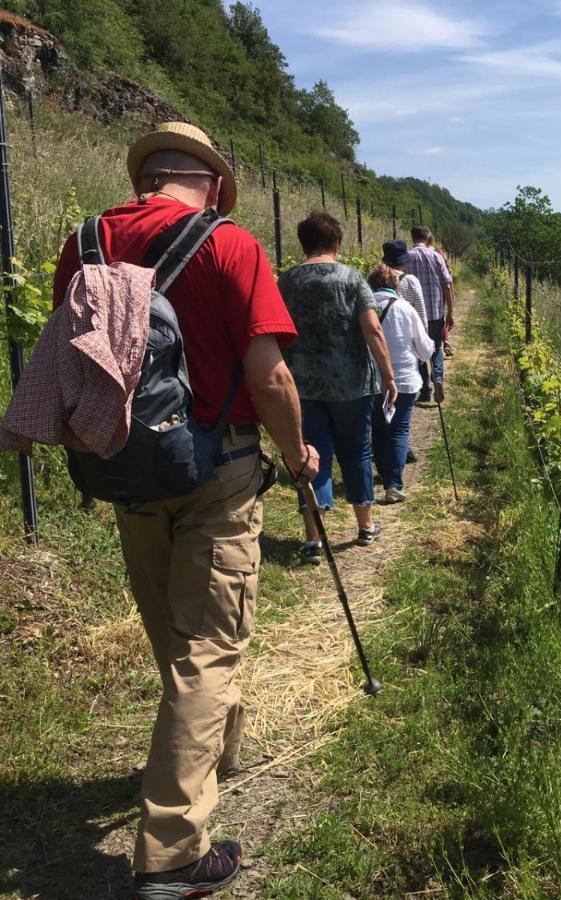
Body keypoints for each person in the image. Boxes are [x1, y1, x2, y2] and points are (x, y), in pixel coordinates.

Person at [47, 122, 319, 898]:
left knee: (174, 629)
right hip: (219, 466)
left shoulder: (86, 242)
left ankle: (209, 753)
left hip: (123, 465)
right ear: (214, 185)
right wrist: (297, 454)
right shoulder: (229, 244)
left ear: (146, 179)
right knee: (210, 644)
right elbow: (268, 379)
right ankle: (170, 851)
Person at [277, 213, 398, 561]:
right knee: (357, 451)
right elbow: (372, 330)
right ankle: (365, 526)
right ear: (336, 243)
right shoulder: (352, 279)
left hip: (303, 385)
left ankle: (314, 538)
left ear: (304, 243)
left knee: (312, 456)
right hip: (352, 385)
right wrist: (388, 375)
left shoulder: (287, 281)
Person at [367, 261, 433, 502]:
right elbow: (425, 351)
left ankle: (384, 474)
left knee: (378, 429)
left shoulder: (363, 307)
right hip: (404, 381)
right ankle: (393, 484)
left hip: (371, 381)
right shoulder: (405, 308)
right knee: (399, 429)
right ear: (395, 284)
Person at [404, 225, 454, 403]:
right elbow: (447, 285)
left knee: (418, 352)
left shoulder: (406, 258)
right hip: (435, 312)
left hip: (413, 314)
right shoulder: (436, 257)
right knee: (436, 348)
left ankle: (425, 390)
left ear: (413, 237)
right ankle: (438, 377)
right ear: (428, 238)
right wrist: (450, 313)